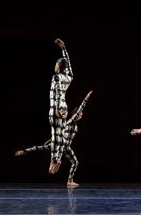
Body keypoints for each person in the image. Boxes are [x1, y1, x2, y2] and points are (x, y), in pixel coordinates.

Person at [15, 91, 92, 187]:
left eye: (81, 115)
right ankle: (26, 152)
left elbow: (58, 133)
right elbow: (81, 107)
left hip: (65, 145)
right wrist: (86, 98)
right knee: (43, 150)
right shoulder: (72, 120)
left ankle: (69, 180)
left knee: (74, 162)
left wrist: (50, 140)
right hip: (61, 144)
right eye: (80, 114)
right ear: (76, 114)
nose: (81, 115)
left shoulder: (71, 124)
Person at [49, 38, 74, 175]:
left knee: (55, 134)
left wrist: (57, 107)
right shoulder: (69, 77)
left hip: (56, 107)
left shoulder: (56, 77)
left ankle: (54, 159)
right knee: (61, 134)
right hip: (65, 106)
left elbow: (57, 92)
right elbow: (69, 66)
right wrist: (64, 48)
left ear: (59, 66)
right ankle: (58, 158)